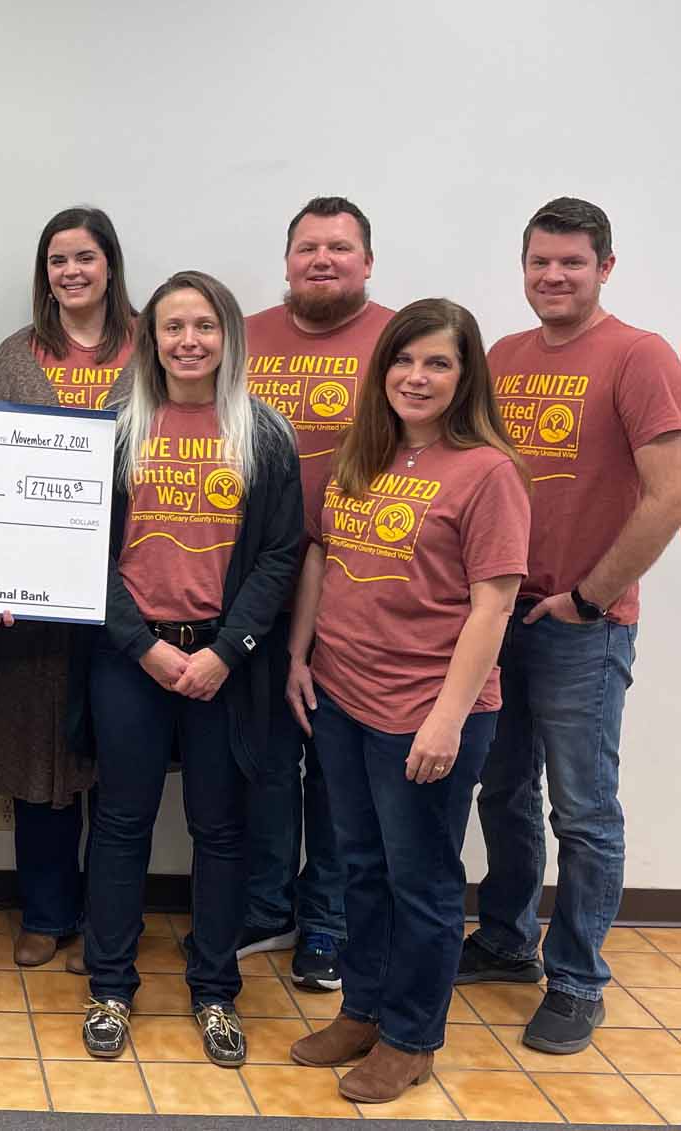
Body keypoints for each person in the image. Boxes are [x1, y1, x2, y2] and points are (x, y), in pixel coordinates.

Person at [287, 298, 531, 1102]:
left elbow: (492, 605)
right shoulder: (365, 453)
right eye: (404, 360)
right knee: (358, 865)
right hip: (344, 696)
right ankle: (362, 1009)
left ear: (466, 378)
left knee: (420, 879)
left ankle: (413, 1036)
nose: (416, 377)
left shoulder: (489, 471)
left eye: (438, 363)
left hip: (425, 710)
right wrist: (300, 653)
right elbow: (324, 557)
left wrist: (448, 718)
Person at [460, 198, 681, 1055]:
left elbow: (669, 496)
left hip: (582, 627)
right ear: (523, 267)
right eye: (540, 262)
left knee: (584, 810)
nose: (553, 276)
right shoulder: (505, 355)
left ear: (606, 268)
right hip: (500, 613)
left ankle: (580, 976)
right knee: (503, 789)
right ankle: (509, 939)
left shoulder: (640, 356)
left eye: (572, 264)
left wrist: (589, 598)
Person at [80, 271, 300, 1068]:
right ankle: (109, 985)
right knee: (120, 822)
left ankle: (214, 991)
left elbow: (279, 558)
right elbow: (85, 550)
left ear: (228, 335)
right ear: (151, 339)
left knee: (220, 828)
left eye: (204, 325)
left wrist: (222, 653)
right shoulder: (115, 426)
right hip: (132, 657)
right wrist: (145, 646)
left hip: (223, 665)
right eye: (173, 327)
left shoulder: (264, 432)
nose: (189, 341)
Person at [0, 205, 136, 970]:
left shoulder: (150, 350)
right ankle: (45, 910)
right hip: (27, 601)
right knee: (34, 755)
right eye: (57, 260)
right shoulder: (16, 353)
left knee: (115, 758)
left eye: (85, 258)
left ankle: (104, 921)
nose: (71, 272)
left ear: (110, 265)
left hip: (127, 585)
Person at [242, 196, 395, 991]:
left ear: (369, 261)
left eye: (340, 247)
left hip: (359, 584)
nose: (323, 259)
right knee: (267, 760)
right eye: (308, 247)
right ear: (288, 260)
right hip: (255, 583)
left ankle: (326, 923)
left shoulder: (400, 340)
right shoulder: (248, 338)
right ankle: (266, 907)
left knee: (336, 769)